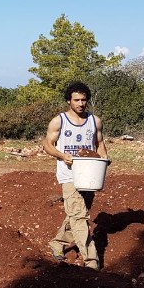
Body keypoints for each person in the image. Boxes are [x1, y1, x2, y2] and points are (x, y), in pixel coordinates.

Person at [42, 81, 109, 270]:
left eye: (83, 100)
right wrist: (62, 155)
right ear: (69, 101)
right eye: (76, 100)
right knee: (79, 217)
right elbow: (47, 144)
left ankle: (58, 243)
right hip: (69, 175)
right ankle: (91, 261)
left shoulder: (95, 121)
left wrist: (104, 159)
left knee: (77, 214)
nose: (80, 104)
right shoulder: (59, 121)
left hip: (90, 175)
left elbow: (100, 143)